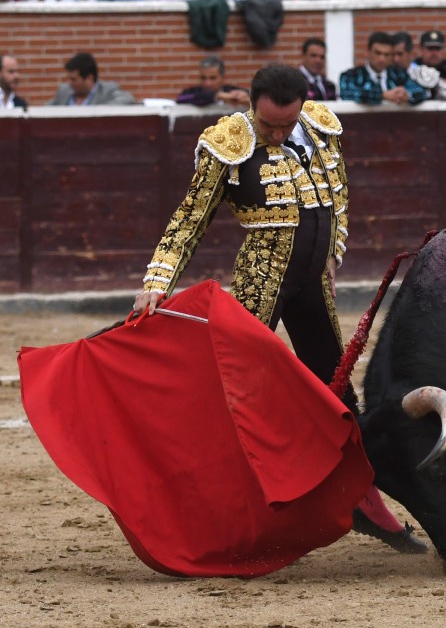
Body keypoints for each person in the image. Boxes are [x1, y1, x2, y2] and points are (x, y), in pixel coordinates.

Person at [132, 63, 428, 556]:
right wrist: (156, 283)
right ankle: (219, 515)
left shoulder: (318, 125)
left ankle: (364, 505)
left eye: (286, 124)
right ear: (253, 105)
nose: (278, 133)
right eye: (269, 125)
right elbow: (188, 220)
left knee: (338, 399)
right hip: (261, 280)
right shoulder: (229, 141)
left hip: (313, 284)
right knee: (236, 403)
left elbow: (339, 194)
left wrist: (334, 252)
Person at [339, 31, 428, 105]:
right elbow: (346, 93)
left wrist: (406, 95)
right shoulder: (351, 75)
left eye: (386, 54)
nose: (382, 59)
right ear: (368, 52)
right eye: (378, 53)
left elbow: (422, 91)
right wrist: (382, 95)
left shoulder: (398, 74)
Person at [391, 31, 446, 106]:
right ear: (421, 49)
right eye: (430, 48)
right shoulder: (414, 66)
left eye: (437, 48)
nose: (434, 53)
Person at [48, 52, 136, 105]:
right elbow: (45, 110)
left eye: (74, 79)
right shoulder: (64, 91)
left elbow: (128, 100)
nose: (70, 83)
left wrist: (94, 111)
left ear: (89, 78)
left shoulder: (107, 90)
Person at [176, 56, 251, 107]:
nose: (207, 83)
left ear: (222, 78)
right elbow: (181, 99)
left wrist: (247, 100)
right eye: (203, 78)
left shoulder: (232, 91)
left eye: (213, 78)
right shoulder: (193, 92)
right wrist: (218, 96)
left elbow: (254, 98)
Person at [299, 37, 337, 101]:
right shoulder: (294, 82)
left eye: (322, 57)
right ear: (303, 56)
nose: (318, 60)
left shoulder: (330, 86)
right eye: (313, 56)